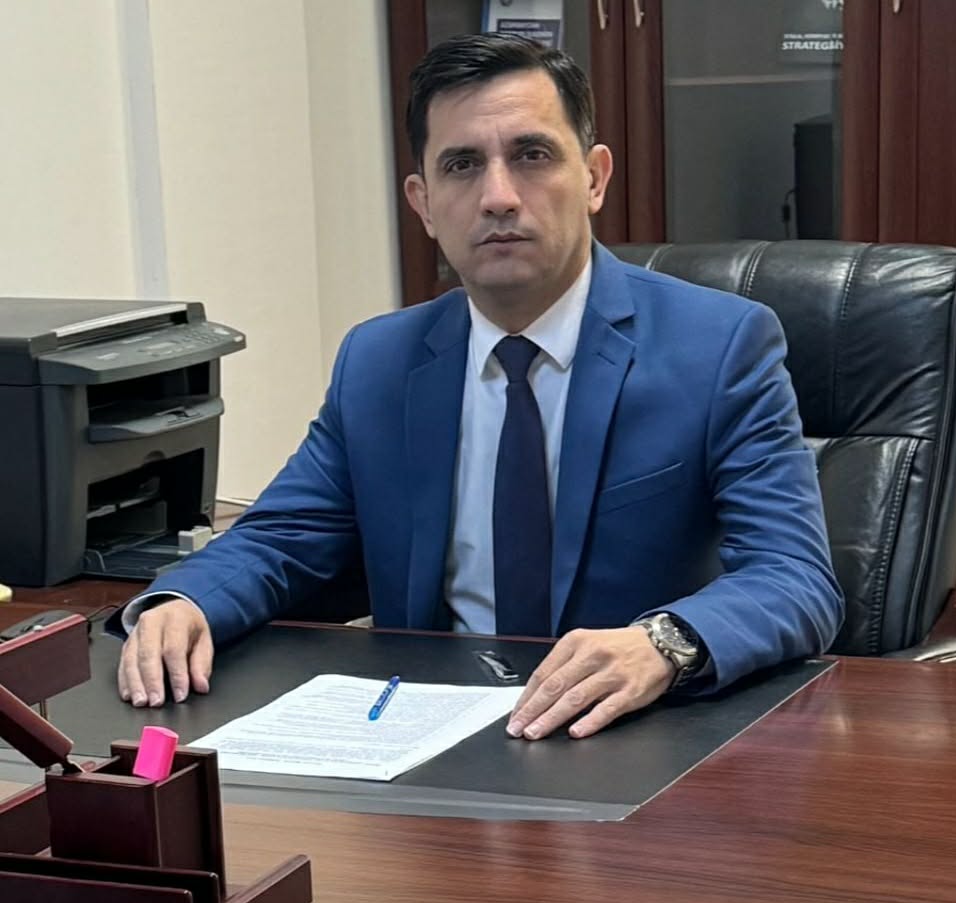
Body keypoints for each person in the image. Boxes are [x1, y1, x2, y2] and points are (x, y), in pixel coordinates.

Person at [115, 33, 843, 740]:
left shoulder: (718, 346)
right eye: (462, 165)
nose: (498, 196)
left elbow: (794, 577)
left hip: (632, 735)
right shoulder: (379, 360)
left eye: (531, 155)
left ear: (593, 178)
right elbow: (283, 536)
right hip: (425, 732)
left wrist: (662, 643)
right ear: (424, 202)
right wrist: (184, 602)